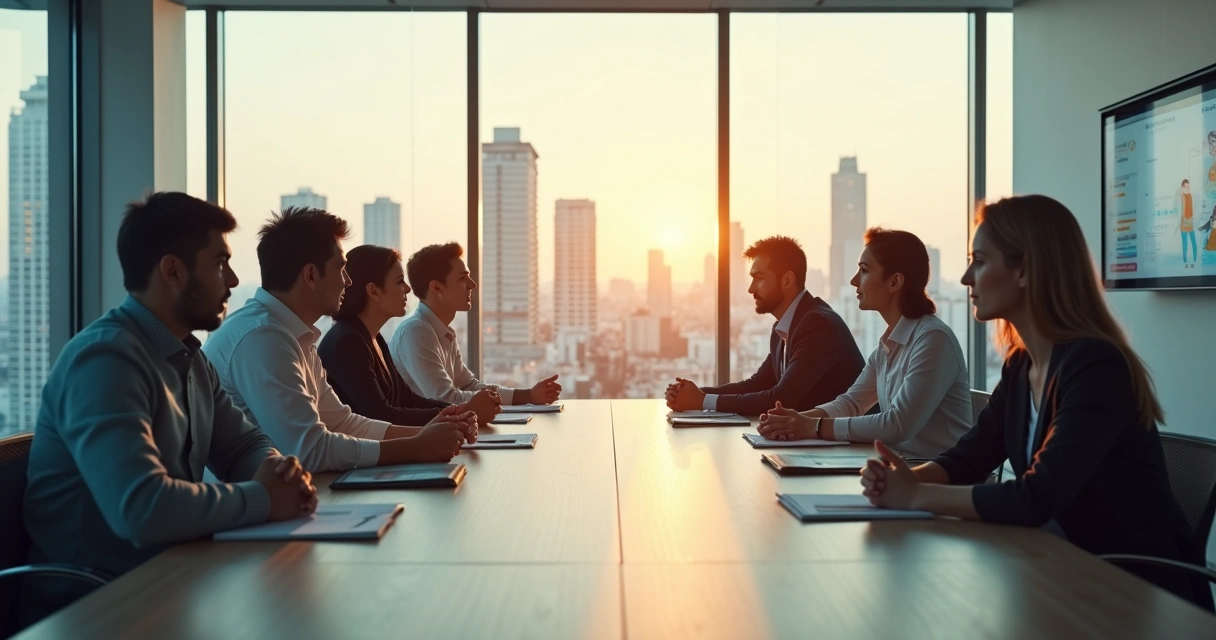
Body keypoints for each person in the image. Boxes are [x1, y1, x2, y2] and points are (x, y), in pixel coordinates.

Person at [859, 195, 1213, 611]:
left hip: (1136, 595)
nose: (966, 277)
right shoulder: (1021, 364)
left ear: (1024, 269)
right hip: (1060, 573)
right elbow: (966, 460)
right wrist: (906, 480)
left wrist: (914, 497)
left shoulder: (1096, 366)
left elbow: (1035, 497)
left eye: (981, 261)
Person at [21, 193, 317, 626]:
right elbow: (141, 508)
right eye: (219, 264)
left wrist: (279, 472)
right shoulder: (105, 360)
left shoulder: (189, 357)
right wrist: (263, 498)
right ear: (173, 271)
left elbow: (241, 446)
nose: (233, 280)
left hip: (171, 578)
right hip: (93, 607)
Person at [203, 209, 477, 473]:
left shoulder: (296, 335)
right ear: (311, 275)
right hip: (253, 508)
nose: (348, 281)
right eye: (341, 269)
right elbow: (309, 450)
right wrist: (416, 446)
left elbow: (342, 422)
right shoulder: (263, 337)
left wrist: (429, 435)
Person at [758, 228, 971, 457]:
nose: (853, 280)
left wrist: (813, 427)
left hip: (940, 480)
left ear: (895, 281)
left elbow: (897, 424)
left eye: (864, 271)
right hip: (898, 469)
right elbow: (851, 403)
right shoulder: (888, 345)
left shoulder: (933, 340)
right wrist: (793, 420)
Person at [665, 235, 863, 415]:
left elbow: (781, 399)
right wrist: (694, 394)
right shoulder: (785, 327)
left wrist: (702, 401)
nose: (751, 289)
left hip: (853, 449)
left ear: (787, 280)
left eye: (758, 278)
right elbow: (758, 384)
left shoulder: (818, 325)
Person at [318, 245, 502, 426]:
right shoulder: (347, 343)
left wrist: (461, 412)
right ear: (374, 291)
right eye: (399, 281)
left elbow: (407, 398)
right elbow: (381, 415)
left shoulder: (373, 337)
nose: (407, 289)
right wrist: (460, 413)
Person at [390, 242, 562, 406]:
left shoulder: (442, 330)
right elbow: (445, 399)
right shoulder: (416, 331)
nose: (472, 285)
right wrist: (525, 396)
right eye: (462, 278)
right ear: (437, 288)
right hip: (423, 434)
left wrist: (529, 395)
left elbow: (468, 386)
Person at [1179, 179, 1196, 267]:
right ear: (1183, 187)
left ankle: (1195, 260)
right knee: (1185, 243)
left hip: (1190, 220)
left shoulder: (1190, 195)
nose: (1187, 188)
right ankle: (1185, 261)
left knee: (1194, 242)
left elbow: (1191, 206)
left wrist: (1192, 215)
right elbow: (1180, 209)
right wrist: (1182, 219)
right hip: (1183, 221)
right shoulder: (1181, 196)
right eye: (1185, 186)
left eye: (1188, 186)